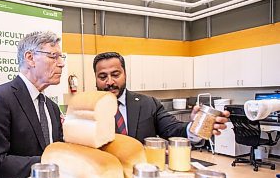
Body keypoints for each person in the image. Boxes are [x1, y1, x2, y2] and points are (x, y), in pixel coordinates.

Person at [0, 31, 65, 178]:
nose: (61, 64)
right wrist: (48, 163)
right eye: (53, 56)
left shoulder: (52, 107)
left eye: (61, 57)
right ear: (30, 58)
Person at [93, 51, 229, 143]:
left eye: (116, 74)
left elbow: (173, 129)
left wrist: (195, 127)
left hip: (143, 175)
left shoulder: (148, 104)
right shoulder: (85, 110)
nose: (110, 82)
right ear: (95, 78)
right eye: (103, 76)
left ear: (125, 74)